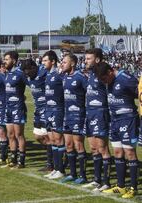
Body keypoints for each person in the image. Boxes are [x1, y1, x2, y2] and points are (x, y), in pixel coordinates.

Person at [95, 62, 139, 199]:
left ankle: (133, 188)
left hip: (128, 120)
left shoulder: (126, 78)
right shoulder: (108, 81)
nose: (104, 82)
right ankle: (120, 186)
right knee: (118, 152)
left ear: (110, 72)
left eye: (104, 79)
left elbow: (139, 93)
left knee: (129, 152)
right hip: (114, 121)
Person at [82, 48, 112, 192]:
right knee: (93, 148)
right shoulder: (90, 74)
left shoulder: (103, 74)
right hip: (90, 114)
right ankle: (97, 180)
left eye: (88, 58)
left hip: (100, 114)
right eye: (85, 58)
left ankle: (106, 182)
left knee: (102, 148)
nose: (85, 61)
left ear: (97, 60)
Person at [59, 53, 88, 184]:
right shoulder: (64, 77)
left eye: (64, 62)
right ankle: (72, 173)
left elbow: (90, 93)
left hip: (78, 115)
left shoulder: (80, 77)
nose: (62, 64)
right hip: (67, 115)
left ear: (72, 63)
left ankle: (83, 175)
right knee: (69, 145)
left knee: (78, 144)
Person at [21, 59, 53, 172]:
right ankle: (55, 152)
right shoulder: (27, 76)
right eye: (25, 72)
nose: (26, 74)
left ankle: (51, 163)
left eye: (28, 71)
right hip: (38, 109)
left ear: (34, 68)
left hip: (47, 108)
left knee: (48, 136)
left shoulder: (44, 73)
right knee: (38, 136)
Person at [42, 50, 66, 179]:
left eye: (45, 61)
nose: (43, 63)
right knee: (51, 139)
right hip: (48, 110)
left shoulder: (59, 75)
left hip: (57, 110)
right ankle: (56, 168)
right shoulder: (48, 75)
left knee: (58, 139)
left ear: (53, 62)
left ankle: (61, 169)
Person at [4, 51, 27, 168]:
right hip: (8, 108)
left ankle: (21, 160)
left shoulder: (20, 73)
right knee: (10, 134)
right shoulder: (6, 74)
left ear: (13, 61)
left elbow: (30, 84)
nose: (4, 61)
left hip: (18, 108)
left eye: (7, 59)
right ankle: (13, 159)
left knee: (19, 134)